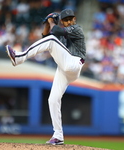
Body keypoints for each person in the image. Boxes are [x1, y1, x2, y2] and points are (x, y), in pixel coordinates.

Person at [6, 9, 86, 145]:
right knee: (53, 99)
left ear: (74, 19)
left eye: (70, 19)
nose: (68, 21)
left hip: (74, 63)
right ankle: (58, 135)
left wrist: (51, 22)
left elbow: (56, 34)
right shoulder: (60, 33)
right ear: (62, 21)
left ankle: (19, 58)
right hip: (64, 68)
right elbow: (45, 40)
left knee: (52, 40)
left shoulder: (77, 29)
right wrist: (47, 24)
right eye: (65, 19)